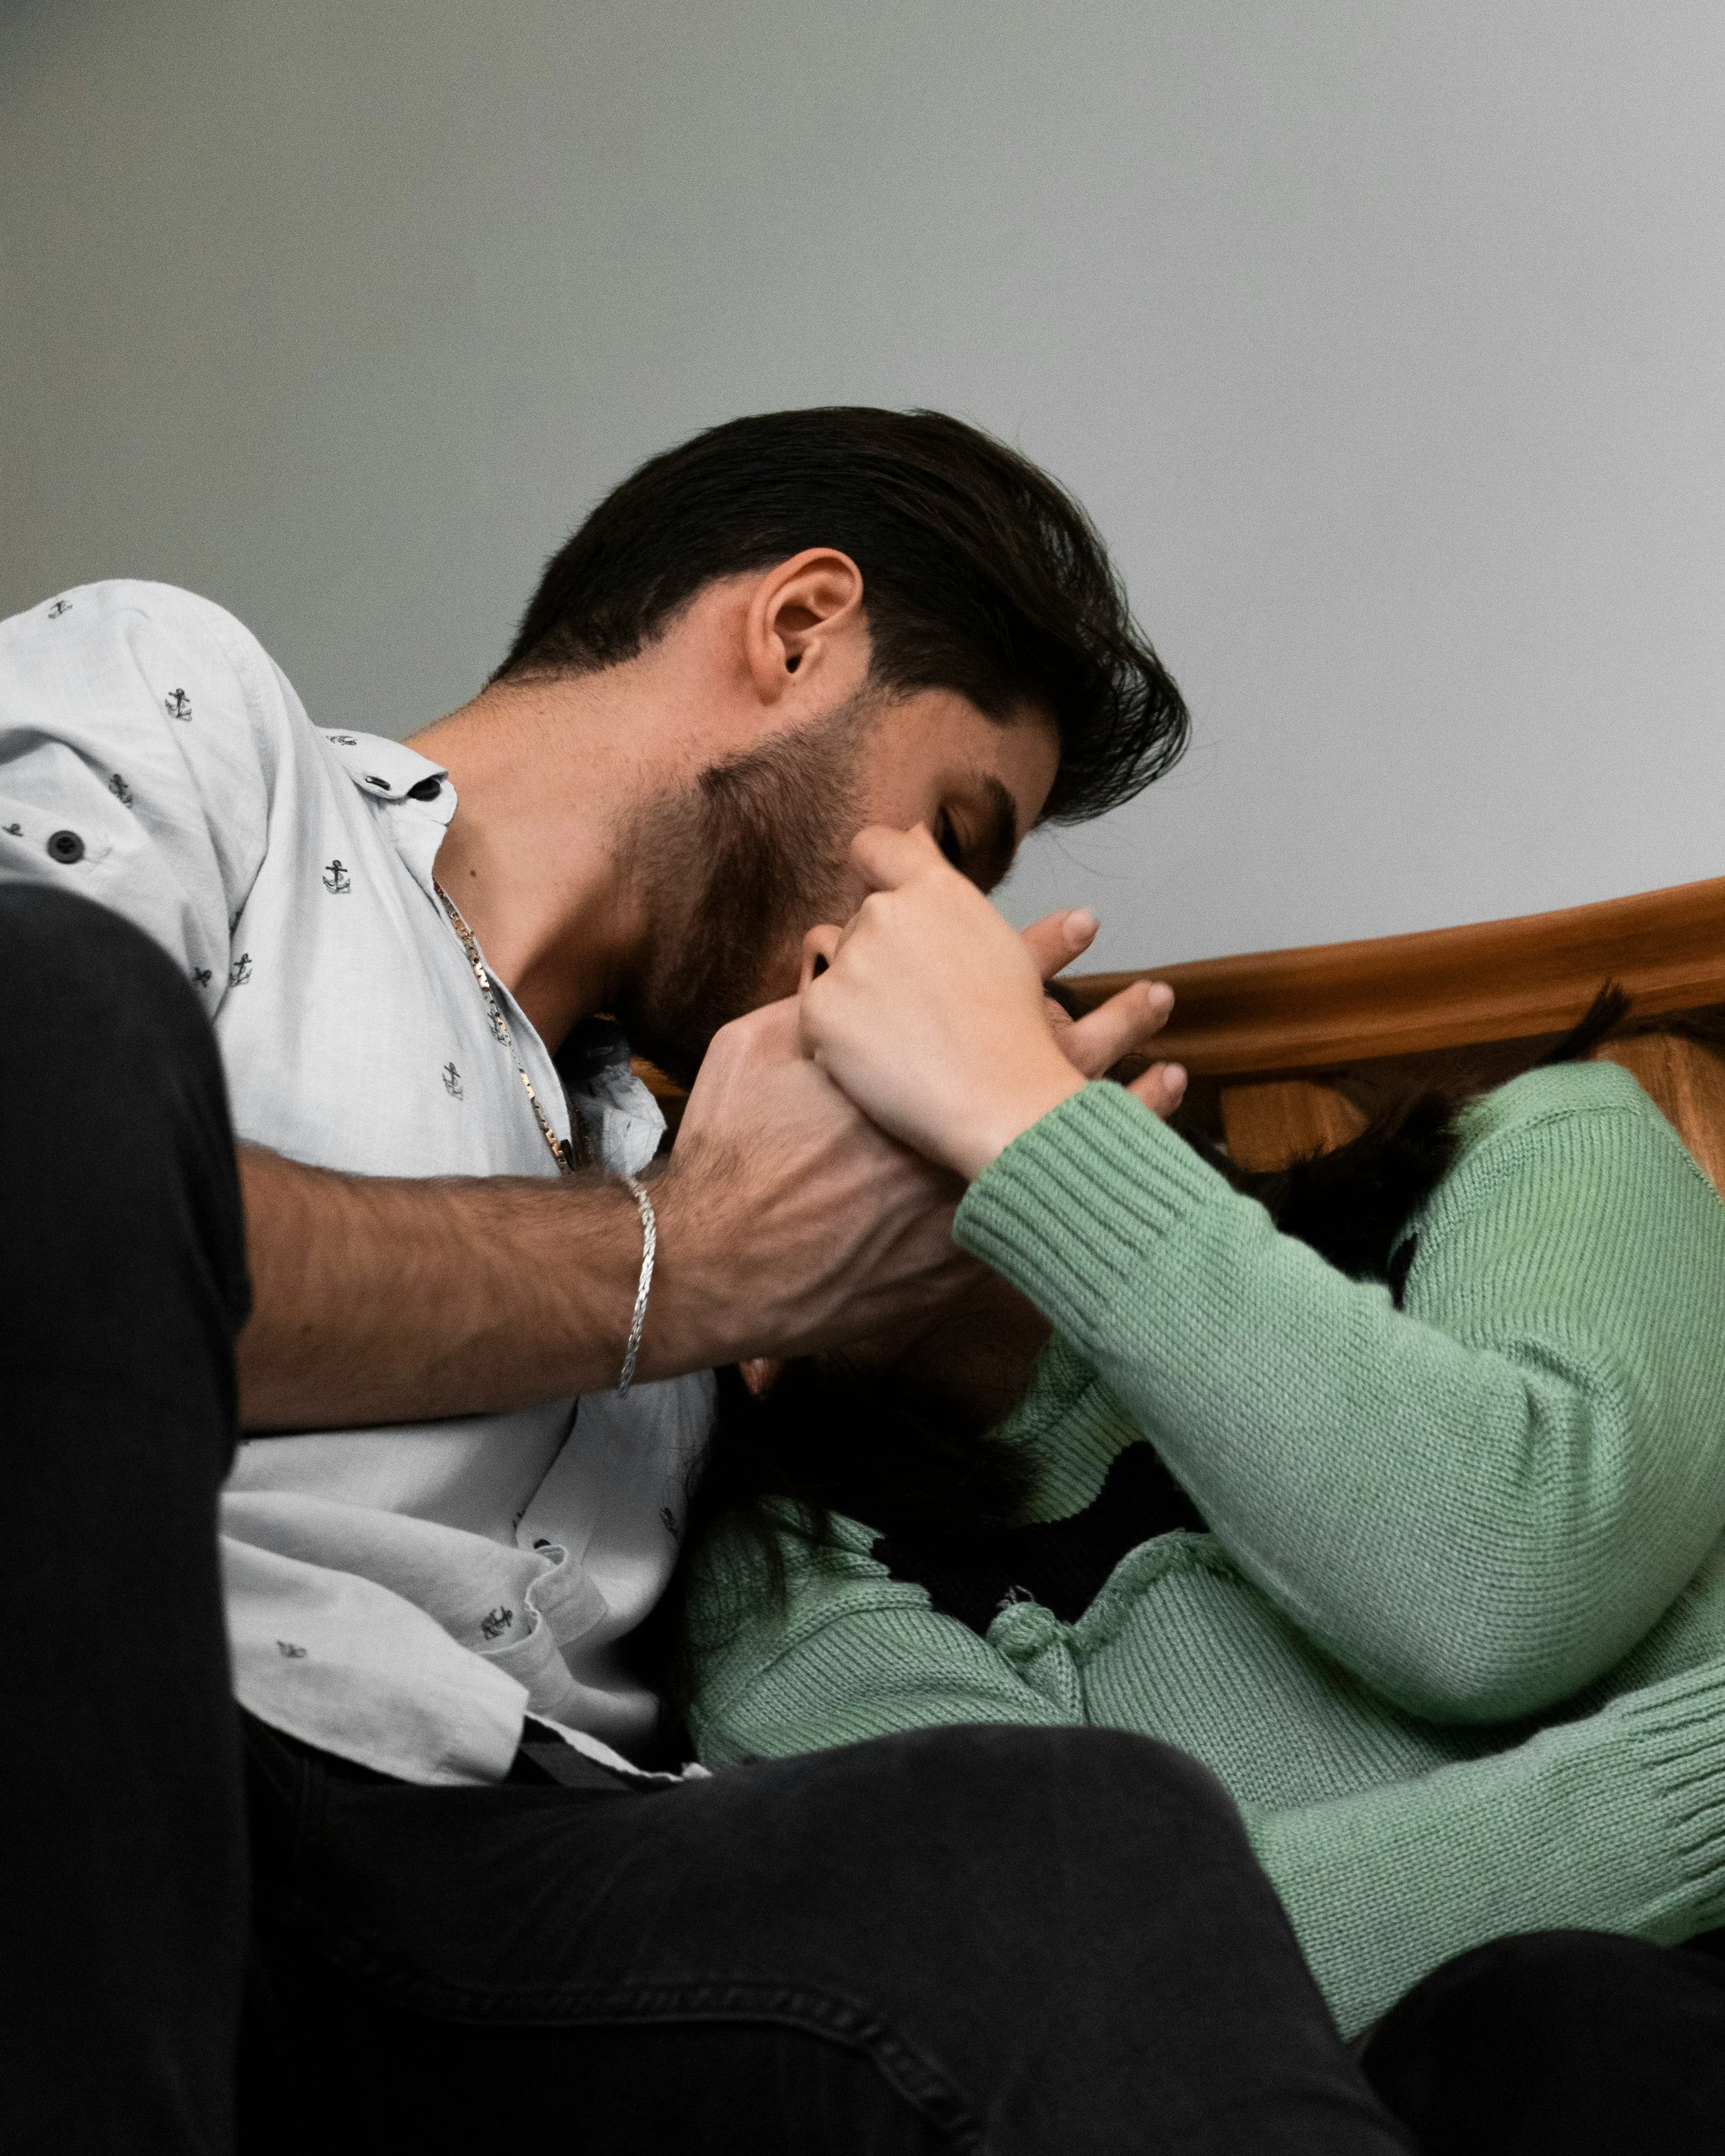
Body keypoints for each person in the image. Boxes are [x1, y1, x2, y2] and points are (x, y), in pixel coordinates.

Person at [0, 408, 1416, 2155]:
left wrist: (986, 1192)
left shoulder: (690, 1145)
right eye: (953, 837)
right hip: (136, 1737)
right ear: (800, 630)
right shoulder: (196, 716)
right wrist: (708, 1259)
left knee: (1071, 1843)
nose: (930, 929)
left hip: (505, 1890)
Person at [674, 820, 1725, 2151]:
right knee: (1541, 2022)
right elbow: (1138, 1972)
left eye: (917, 1029)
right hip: (1401, 2113)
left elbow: (1513, 1569)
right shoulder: (791, 1583)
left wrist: (1033, 1144)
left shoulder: (1534, 1156)